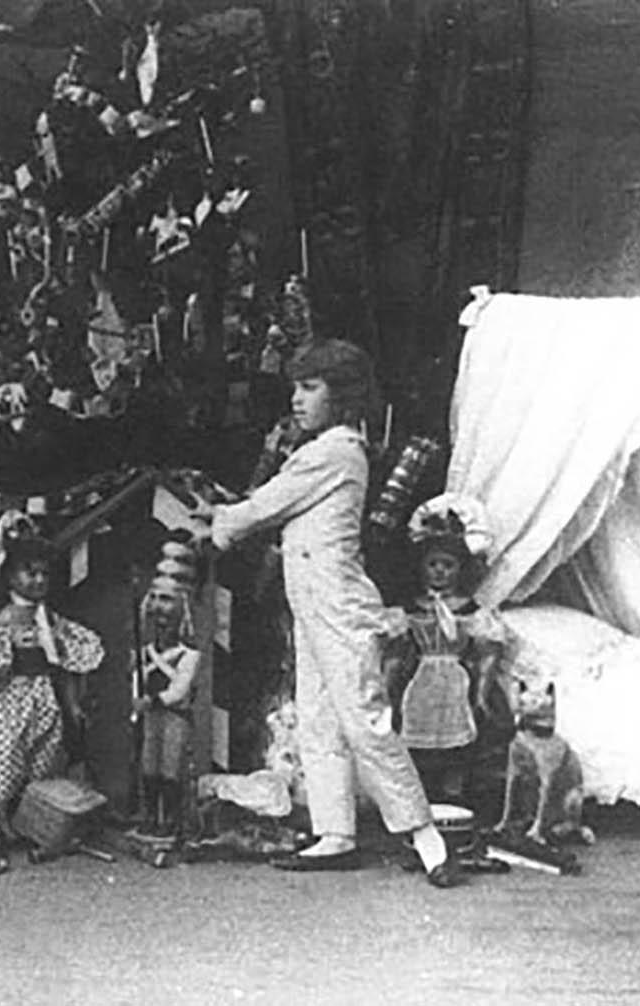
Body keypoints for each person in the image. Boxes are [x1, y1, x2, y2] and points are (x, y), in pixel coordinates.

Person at [204, 339, 460, 887]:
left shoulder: (336, 450)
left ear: (340, 395)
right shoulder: (326, 448)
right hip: (314, 605)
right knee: (318, 715)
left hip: (340, 606)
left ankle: (425, 836)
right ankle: (335, 832)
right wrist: (225, 514)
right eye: (297, 386)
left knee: (363, 717)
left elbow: (266, 504)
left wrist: (220, 522)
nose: (296, 398)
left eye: (309, 387)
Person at [0, 523, 105, 812]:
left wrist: (73, 703)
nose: (39, 580)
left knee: (44, 756)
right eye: (30, 572)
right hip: (10, 698)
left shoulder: (49, 618)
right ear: (11, 576)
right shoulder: (4, 616)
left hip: (43, 695)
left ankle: (32, 817)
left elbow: (63, 662)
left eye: (44, 574)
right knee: (2, 756)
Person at [382, 494, 508, 803]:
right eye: (433, 565)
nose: (440, 572)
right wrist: (388, 686)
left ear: (460, 569)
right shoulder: (412, 607)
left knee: (464, 731)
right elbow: (396, 653)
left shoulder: (468, 609)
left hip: (457, 679)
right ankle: (421, 792)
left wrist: (482, 687)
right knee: (415, 729)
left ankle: (455, 792)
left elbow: (488, 649)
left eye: (448, 566)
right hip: (421, 679)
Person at [131, 562, 200, 837]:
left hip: (174, 718)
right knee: (149, 767)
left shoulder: (189, 656)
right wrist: (136, 701)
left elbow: (179, 691)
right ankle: (149, 816)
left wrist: (151, 701)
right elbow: (138, 681)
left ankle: (170, 820)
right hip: (151, 718)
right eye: (156, 598)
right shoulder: (144, 652)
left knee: (170, 768)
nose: (160, 607)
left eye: (167, 599)